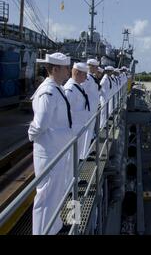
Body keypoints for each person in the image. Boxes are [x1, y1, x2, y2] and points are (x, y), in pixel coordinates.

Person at [28, 53, 73, 235]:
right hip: (49, 152)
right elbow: (40, 124)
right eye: (66, 69)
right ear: (55, 69)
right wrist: (31, 135)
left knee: (55, 194)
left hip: (58, 150)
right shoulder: (48, 91)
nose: (68, 72)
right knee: (46, 197)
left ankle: (55, 227)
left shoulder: (57, 88)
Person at [65, 63, 91, 161]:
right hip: (73, 129)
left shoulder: (78, 87)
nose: (86, 77)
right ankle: (70, 176)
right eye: (84, 74)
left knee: (76, 156)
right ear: (76, 73)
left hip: (79, 126)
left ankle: (74, 176)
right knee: (71, 158)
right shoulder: (70, 89)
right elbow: (66, 112)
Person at [83, 59, 101, 155]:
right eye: (95, 67)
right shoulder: (87, 79)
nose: (97, 69)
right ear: (90, 66)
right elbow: (83, 93)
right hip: (88, 109)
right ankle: (84, 153)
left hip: (92, 108)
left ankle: (86, 151)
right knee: (87, 131)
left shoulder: (91, 78)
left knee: (89, 131)